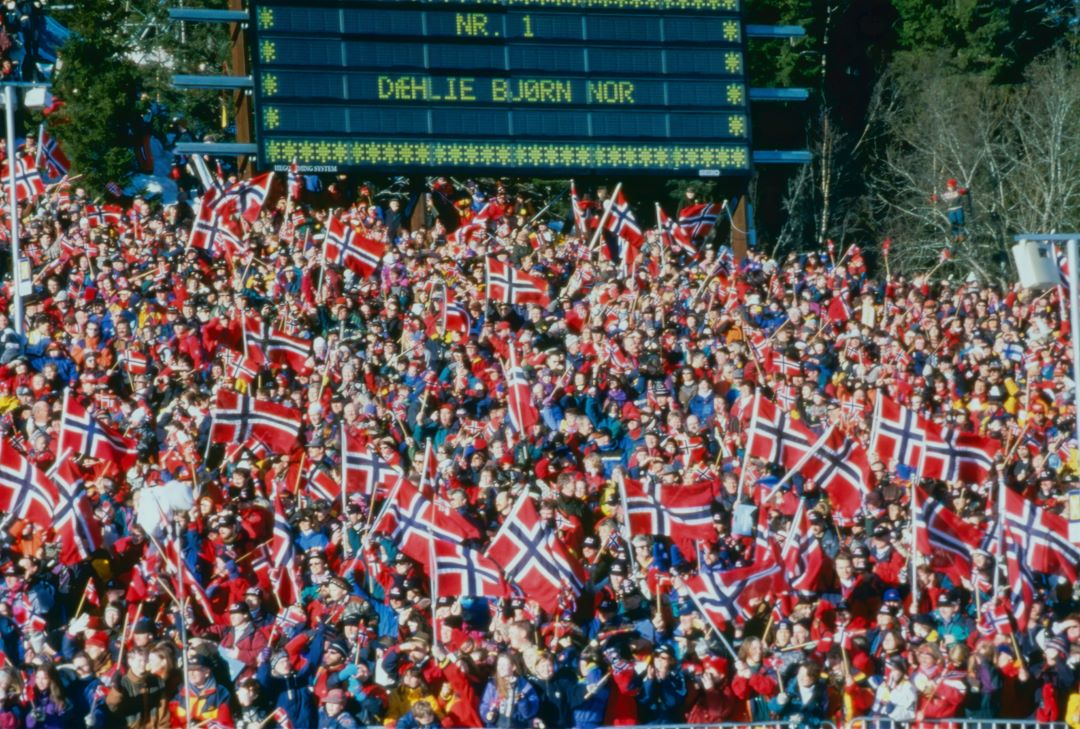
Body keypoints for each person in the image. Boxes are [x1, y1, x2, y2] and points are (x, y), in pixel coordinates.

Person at [479, 653, 539, 728]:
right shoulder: (492, 684)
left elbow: (528, 714)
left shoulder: (525, 686)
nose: (501, 668)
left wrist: (522, 702)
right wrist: (487, 714)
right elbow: (484, 704)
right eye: (499, 665)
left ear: (513, 667)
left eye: (504, 665)